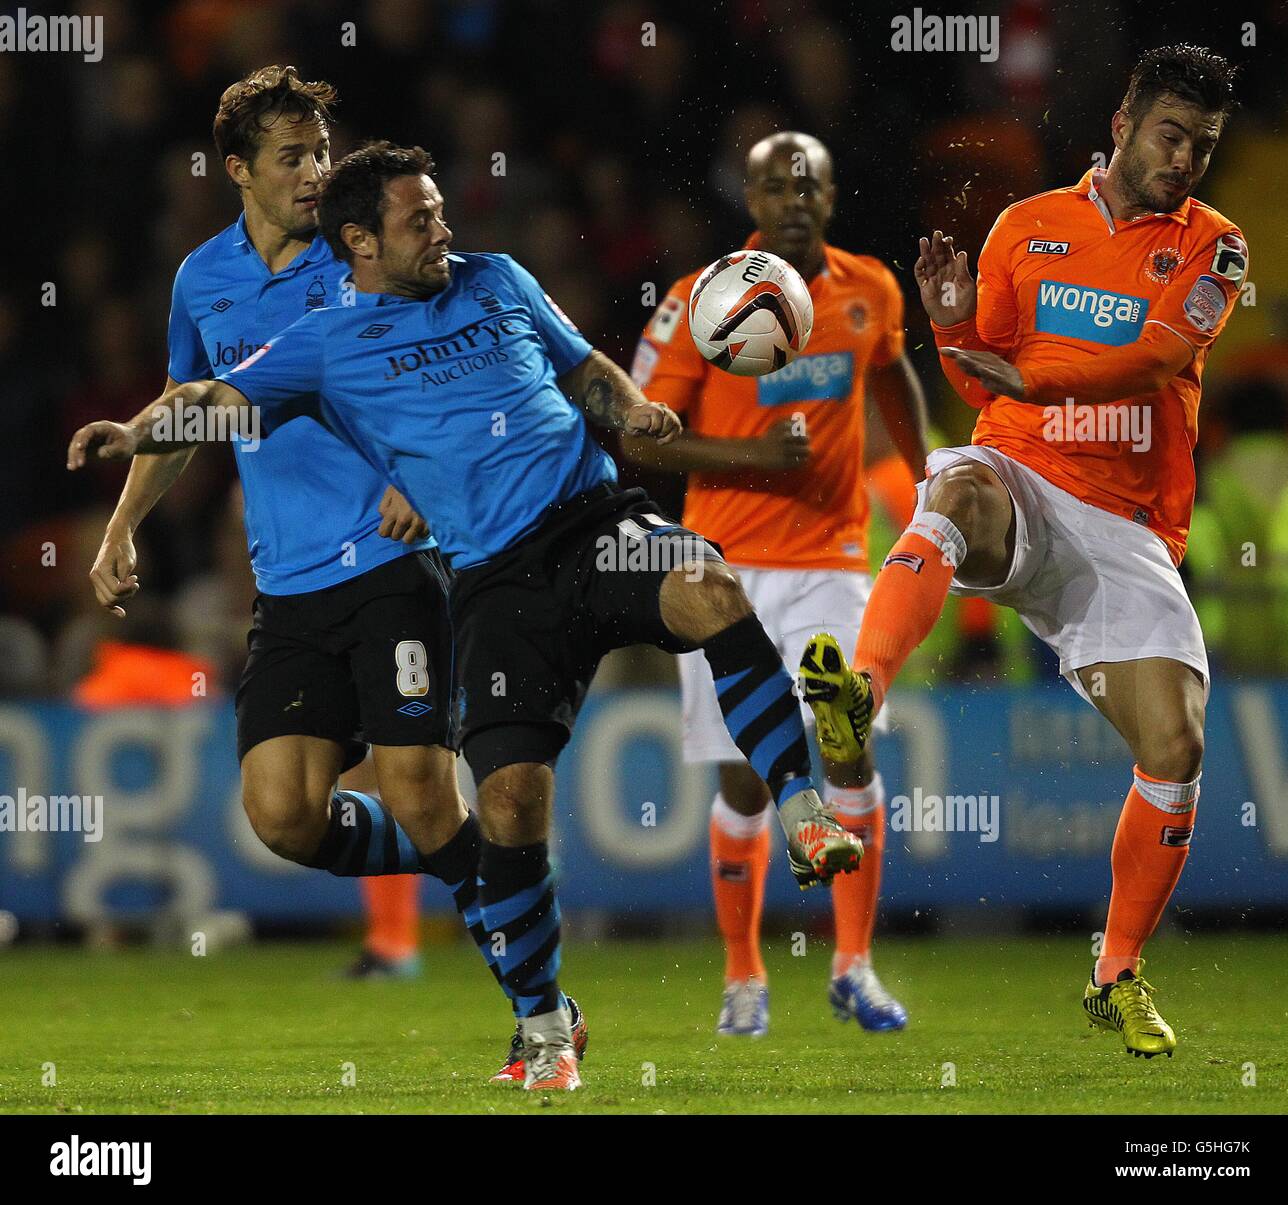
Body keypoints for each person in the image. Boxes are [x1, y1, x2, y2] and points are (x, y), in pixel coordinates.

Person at [67, 141, 866, 1092]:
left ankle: (806, 809)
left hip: (594, 524)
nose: (443, 229)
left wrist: (634, 404)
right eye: (420, 219)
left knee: (709, 587)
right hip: (496, 582)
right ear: (360, 241)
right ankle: (544, 1029)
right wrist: (136, 430)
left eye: (440, 210)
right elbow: (214, 398)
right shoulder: (326, 340)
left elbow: (585, 370)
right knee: (509, 803)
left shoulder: (496, 280)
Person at [80, 67, 551, 1078]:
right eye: (292, 157)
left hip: (395, 559)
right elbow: (189, 403)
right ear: (238, 170)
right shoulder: (201, 281)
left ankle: (540, 1008)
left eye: (322, 153)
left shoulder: (364, 260)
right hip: (288, 584)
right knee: (283, 814)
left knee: (417, 781)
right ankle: (480, 860)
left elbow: (461, 372)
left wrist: (425, 480)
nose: (314, 172)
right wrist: (122, 523)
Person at [799, 46, 1247, 1058]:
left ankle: (1115, 970)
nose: (1184, 160)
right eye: (1171, 134)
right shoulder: (1025, 226)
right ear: (1126, 119)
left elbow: (1155, 359)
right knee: (953, 486)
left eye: (1203, 147)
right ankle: (858, 693)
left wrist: (1025, 376)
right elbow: (975, 369)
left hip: (1127, 529)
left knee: (1175, 750)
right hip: (1023, 481)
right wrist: (950, 320)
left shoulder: (1214, 249)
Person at [622, 132, 927, 1036]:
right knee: (749, 782)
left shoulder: (868, 289)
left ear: (831, 197)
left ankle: (854, 964)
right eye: (777, 185)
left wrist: (932, 469)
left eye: (812, 185)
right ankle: (745, 973)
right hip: (720, 573)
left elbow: (892, 377)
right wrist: (752, 456)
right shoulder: (697, 302)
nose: (795, 198)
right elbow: (642, 434)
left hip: (832, 558)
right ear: (748, 197)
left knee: (847, 741)